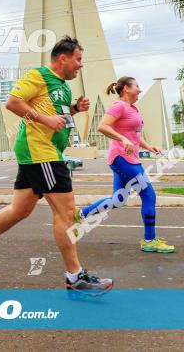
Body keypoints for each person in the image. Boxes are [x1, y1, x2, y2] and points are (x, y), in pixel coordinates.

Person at [0, 36, 113, 295]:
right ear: (62, 58)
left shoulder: (62, 86)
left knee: (20, 209)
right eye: (78, 59)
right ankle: (75, 277)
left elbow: (56, 116)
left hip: (43, 151)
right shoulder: (38, 75)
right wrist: (45, 120)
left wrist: (73, 109)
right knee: (67, 213)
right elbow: (13, 102)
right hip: (40, 151)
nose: (80, 65)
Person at [75, 76, 175, 253]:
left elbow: (134, 135)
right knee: (149, 195)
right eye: (137, 86)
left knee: (118, 200)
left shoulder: (133, 108)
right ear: (126, 89)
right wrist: (122, 139)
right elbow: (102, 126)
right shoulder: (118, 106)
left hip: (126, 158)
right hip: (122, 157)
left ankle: (81, 214)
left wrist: (148, 147)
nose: (140, 89)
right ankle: (149, 240)